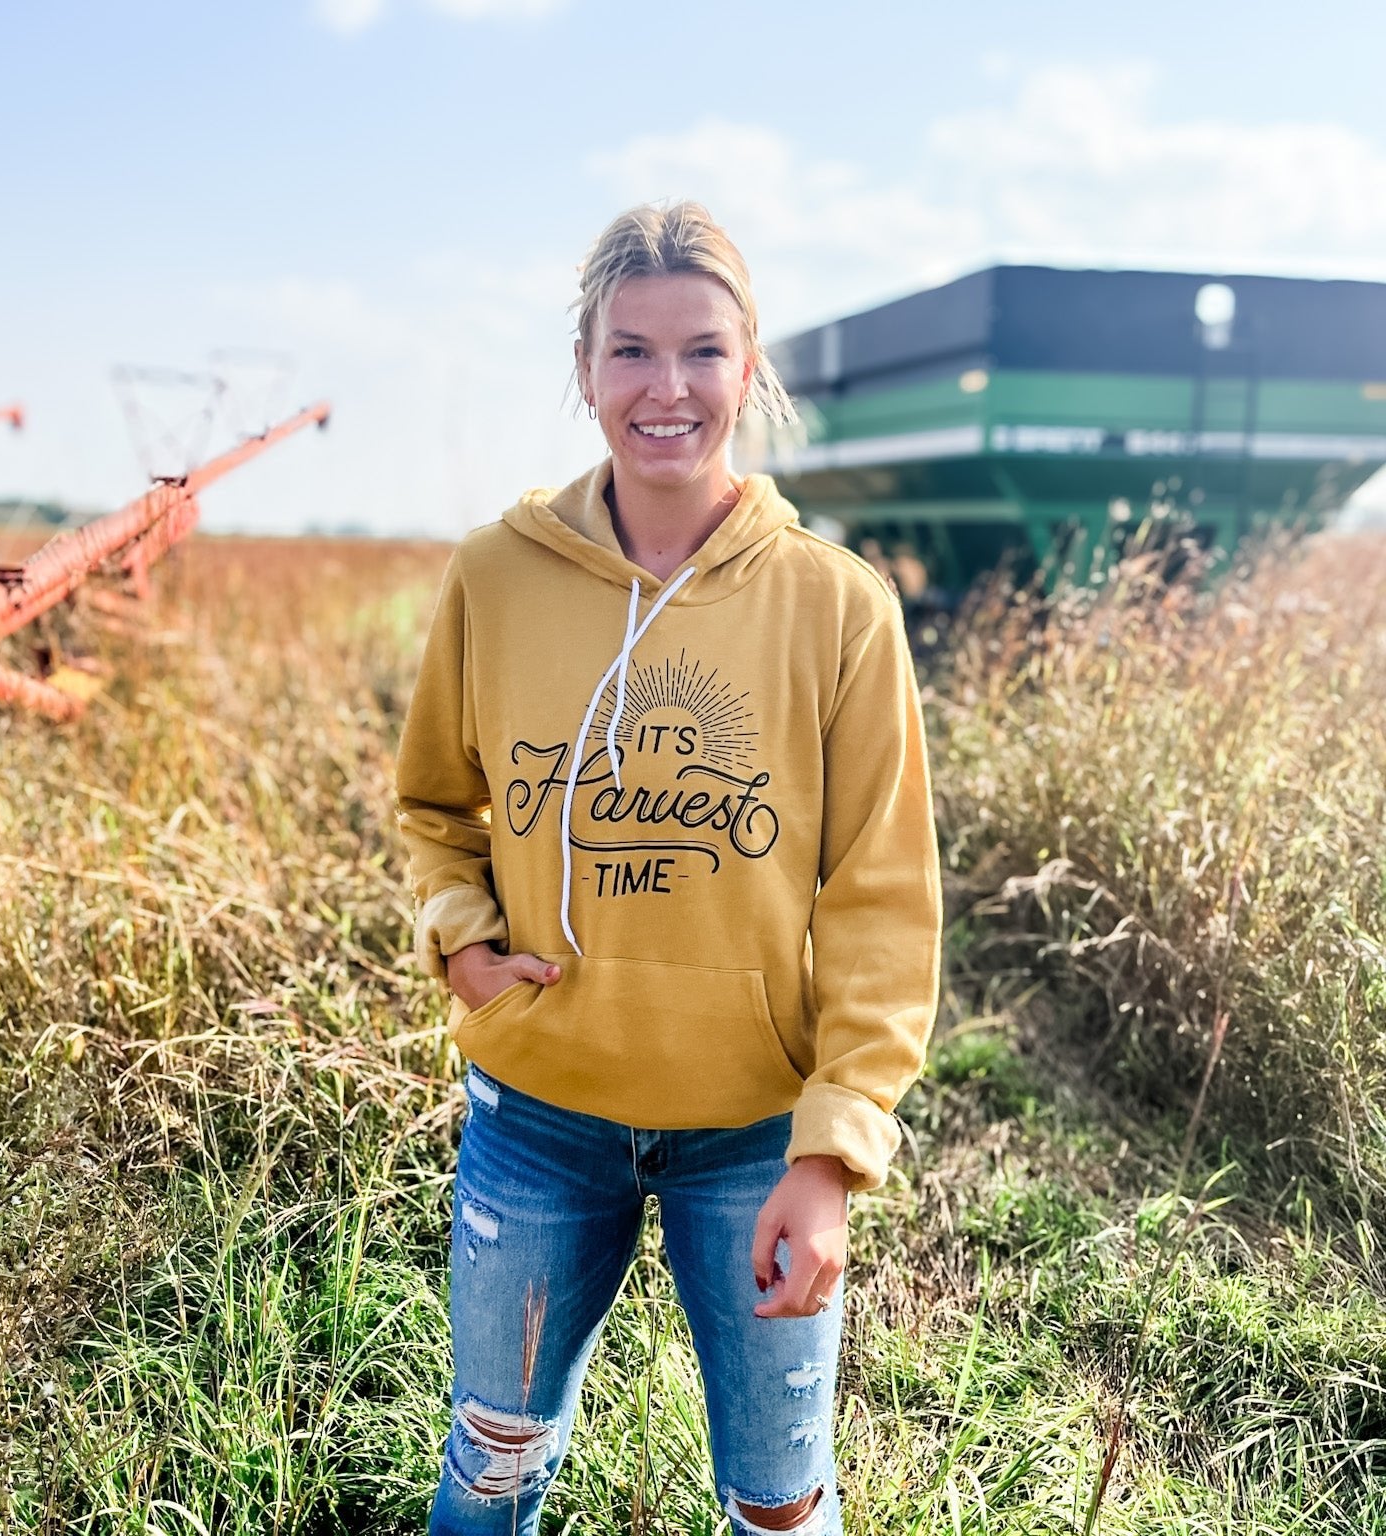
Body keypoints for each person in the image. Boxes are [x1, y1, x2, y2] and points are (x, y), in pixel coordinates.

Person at [395, 200, 942, 1536]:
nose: (667, 388)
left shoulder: (836, 605)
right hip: (539, 1115)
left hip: (754, 1132)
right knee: (493, 1456)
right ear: (584, 369)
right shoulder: (496, 578)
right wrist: (461, 937)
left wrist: (833, 1154)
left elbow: (882, 896)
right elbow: (434, 802)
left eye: (703, 351)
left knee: (779, 1503)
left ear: (749, 369)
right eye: (631, 351)